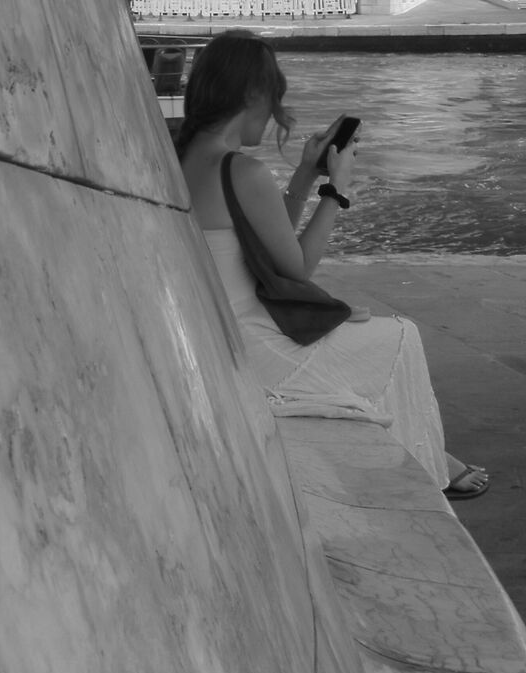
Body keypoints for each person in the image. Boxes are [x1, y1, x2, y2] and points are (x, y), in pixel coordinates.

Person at [175, 32, 490, 500]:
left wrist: (304, 174)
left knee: (359, 330)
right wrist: (336, 190)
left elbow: (263, 236)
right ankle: (429, 465)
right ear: (253, 95)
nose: (276, 111)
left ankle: (428, 455)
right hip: (247, 343)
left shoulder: (177, 155)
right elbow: (298, 267)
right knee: (399, 338)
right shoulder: (241, 171)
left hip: (207, 329)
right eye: (274, 96)